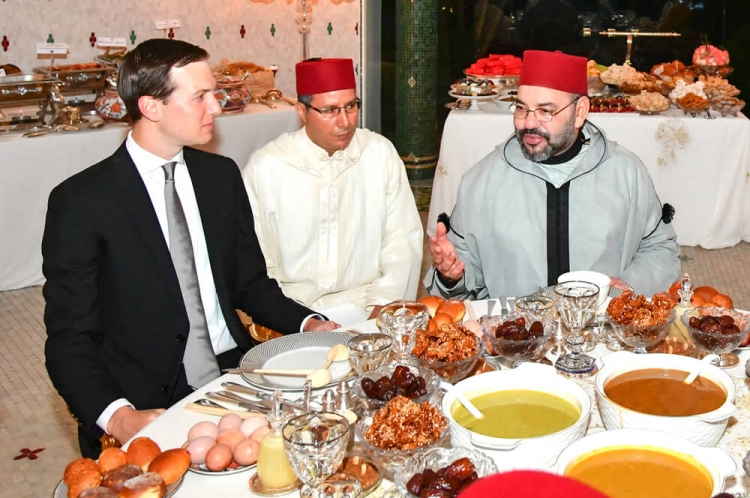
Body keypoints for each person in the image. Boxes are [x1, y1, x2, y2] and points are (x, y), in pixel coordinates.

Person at [42, 39, 338, 459]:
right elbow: (69, 339)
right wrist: (119, 417)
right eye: (200, 96)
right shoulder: (82, 202)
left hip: (234, 370)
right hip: (145, 396)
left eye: (213, 93)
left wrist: (308, 323)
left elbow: (249, 284)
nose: (216, 107)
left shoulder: (219, 177)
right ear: (151, 107)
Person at [425, 50, 681, 299]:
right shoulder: (482, 181)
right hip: (514, 326)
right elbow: (463, 271)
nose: (529, 123)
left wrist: (631, 285)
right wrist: (451, 276)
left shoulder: (625, 174)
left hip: (602, 325)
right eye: (521, 108)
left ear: (579, 112)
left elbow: (660, 248)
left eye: (545, 111)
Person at [242, 58, 423, 325]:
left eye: (351, 106)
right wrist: (299, 320)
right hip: (295, 311)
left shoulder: (378, 153)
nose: (344, 121)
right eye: (329, 110)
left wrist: (382, 309)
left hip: (369, 304)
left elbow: (403, 240)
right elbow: (256, 260)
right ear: (302, 111)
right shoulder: (267, 167)